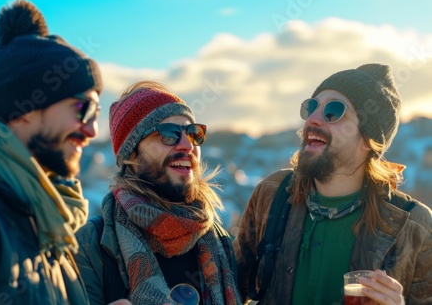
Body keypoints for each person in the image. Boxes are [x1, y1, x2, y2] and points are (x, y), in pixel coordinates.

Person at [0, 0, 103, 304]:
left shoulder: (45, 211)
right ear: (23, 110)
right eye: (83, 109)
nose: (92, 131)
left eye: (96, 113)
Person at [233, 63, 432, 305]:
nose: (313, 120)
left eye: (333, 111)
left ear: (369, 140)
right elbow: (228, 290)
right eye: (312, 107)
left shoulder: (417, 229)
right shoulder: (271, 193)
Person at [74, 81, 242, 305]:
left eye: (193, 133)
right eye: (169, 134)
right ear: (131, 154)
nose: (187, 146)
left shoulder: (219, 241)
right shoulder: (91, 246)